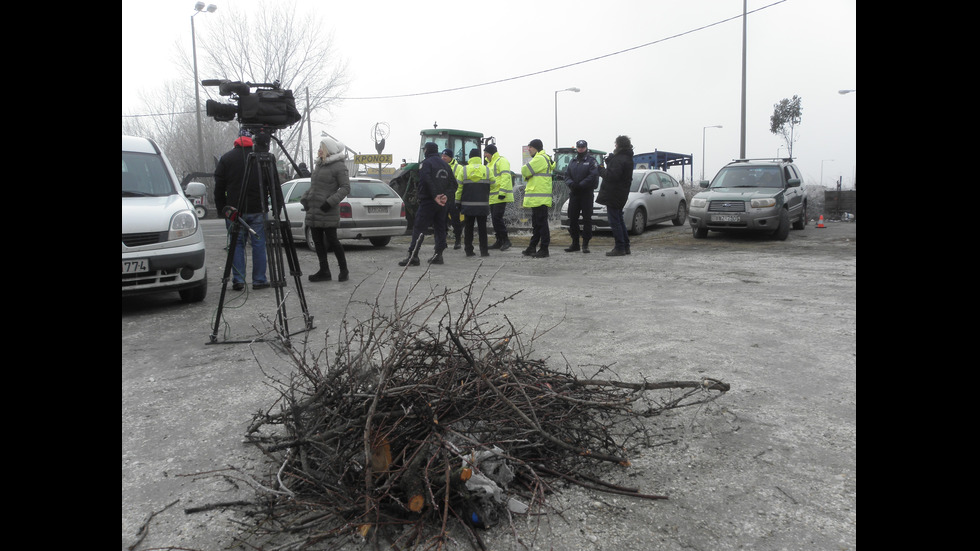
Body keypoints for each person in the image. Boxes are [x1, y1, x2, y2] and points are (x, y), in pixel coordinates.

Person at [214, 132, 284, 291]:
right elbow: (273, 186)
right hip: (258, 208)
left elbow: (219, 188)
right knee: (259, 244)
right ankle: (259, 279)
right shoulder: (263, 158)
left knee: (236, 244)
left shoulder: (227, 158)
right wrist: (277, 207)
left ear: (236, 141)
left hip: (234, 210)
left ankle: (238, 279)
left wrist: (222, 209)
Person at [301, 137, 351, 282]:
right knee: (317, 241)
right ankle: (324, 271)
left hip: (327, 211)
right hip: (314, 210)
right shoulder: (319, 165)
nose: (319, 149)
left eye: (321, 146)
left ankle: (344, 270)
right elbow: (314, 187)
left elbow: (346, 188)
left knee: (333, 241)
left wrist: (330, 202)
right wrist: (306, 197)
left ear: (328, 149)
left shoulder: (339, 166)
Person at [399, 142, 455, 266]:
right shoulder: (446, 165)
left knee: (419, 228)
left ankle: (413, 256)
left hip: (428, 201)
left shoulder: (426, 164)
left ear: (427, 150)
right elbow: (453, 185)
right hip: (442, 203)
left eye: (424, 149)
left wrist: (435, 196)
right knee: (440, 228)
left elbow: (426, 180)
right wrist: (444, 195)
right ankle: (438, 255)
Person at [596, 135, 634, 256]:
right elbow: (617, 171)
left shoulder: (620, 159)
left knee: (615, 221)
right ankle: (625, 246)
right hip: (621, 193)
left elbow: (612, 176)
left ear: (619, 145)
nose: (615, 146)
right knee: (619, 219)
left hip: (614, 193)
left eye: (616, 144)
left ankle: (620, 247)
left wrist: (601, 170)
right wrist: (610, 161)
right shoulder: (626, 158)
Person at [563, 139, 599, 253]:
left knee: (587, 219)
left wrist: (581, 185)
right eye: (579, 147)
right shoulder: (572, 161)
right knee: (572, 218)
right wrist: (572, 184)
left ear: (586, 148)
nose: (580, 149)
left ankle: (585, 244)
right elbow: (566, 175)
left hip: (586, 194)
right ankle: (575, 243)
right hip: (574, 193)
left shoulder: (592, 161)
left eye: (582, 147)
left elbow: (593, 175)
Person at [520, 139, 555, 258]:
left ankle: (544, 249)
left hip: (539, 198)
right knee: (537, 224)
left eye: (531, 147)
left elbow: (524, 170)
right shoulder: (544, 158)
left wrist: (528, 174)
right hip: (538, 198)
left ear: (536, 148)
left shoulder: (539, 159)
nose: (528, 149)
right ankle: (532, 247)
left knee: (541, 224)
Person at [457, 148, 492, 257]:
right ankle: (484, 251)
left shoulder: (464, 170)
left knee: (469, 228)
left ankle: (469, 250)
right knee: (482, 229)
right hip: (483, 205)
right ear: (479, 157)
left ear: (470, 157)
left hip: (468, 205)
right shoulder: (486, 169)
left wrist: (457, 202)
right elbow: (494, 183)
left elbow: (459, 188)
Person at [484, 144, 513, 251]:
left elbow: (506, 176)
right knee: (495, 219)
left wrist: (502, 192)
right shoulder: (489, 164)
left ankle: (506, 240)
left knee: (497, 218)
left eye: (486, 153)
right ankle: (499, 240)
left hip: (501, 196)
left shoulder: (502, 161)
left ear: (491, 153)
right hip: (492, 196)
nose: (485, 155)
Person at [441, 148, 465, 249]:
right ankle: (442, 241)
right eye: (442, 156)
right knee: (442, 220)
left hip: (453, 198)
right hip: (442, 198)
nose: (443, 158)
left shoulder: (459, 167)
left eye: (445, 156)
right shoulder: (440, 166)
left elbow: (460, 183)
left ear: (451, 157)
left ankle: (458, 240)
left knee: (456, 221)